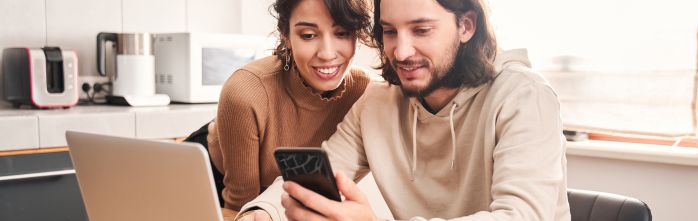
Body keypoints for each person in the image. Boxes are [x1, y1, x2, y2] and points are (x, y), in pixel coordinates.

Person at [237, 0, 571, 220]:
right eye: (390, 31)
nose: (401, 50)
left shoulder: (524, 97)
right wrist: (262, 213)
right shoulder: (377, 103)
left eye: (421, 30)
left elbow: (520, 217)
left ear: (466, 26)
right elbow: (318, 175)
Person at [205, 0, 374, 212]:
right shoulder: (247, 90)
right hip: (214, 182)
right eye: (308, 35)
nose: (327, 54)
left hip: (286, 197)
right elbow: (240, 203)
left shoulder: (363, 92)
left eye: (342, 33)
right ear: (286, 35)